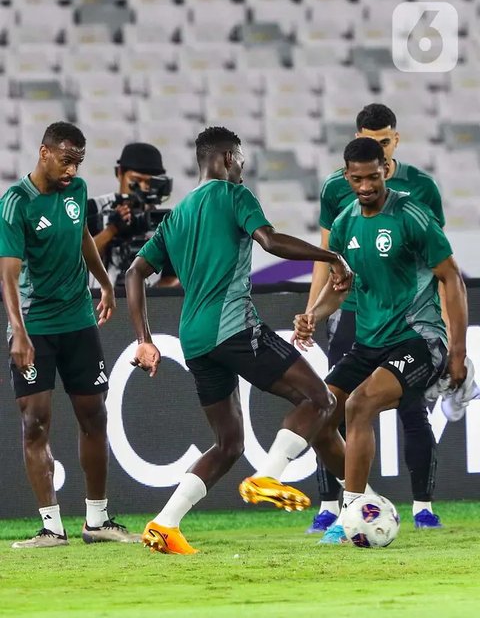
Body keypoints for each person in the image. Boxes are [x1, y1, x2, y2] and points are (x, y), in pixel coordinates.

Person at [125, 126, 352, 555]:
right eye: (242, 159)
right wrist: (331, 256)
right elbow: (269, 241)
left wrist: (144, 339)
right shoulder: (234, 197)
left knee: (228, 443)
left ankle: (165, 523)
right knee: (321, 400)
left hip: (194, 340)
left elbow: (134, 272)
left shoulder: (177, 215)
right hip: (232, 326)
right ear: (229, 158)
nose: (244, 167)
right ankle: (269, 474)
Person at [293, 137, 467, 542]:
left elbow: (451, 277)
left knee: (360, 403)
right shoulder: (343, 224)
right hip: (370, 342)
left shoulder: (412, 214)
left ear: (385, 171)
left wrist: (458, 352)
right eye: (358, 179)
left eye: (374, 177)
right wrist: (313, 315)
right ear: (346, 176)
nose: (367, 185)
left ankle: (350, 513)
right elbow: (340, 286)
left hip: (418, 337)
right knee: (320, 412)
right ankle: (365, 502)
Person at [0, 122, 137, 548]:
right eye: (65, 160)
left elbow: (82, 239)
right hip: (36, 325)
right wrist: (19, 332)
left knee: (94, 417)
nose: (72, 170)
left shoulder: (75, 193)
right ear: (44, 152)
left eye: (78, 162)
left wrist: (105, 281)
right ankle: (51, 527)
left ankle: (97, 520)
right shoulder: (15, 204)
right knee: (35, 423)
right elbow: (7, 273)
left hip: (78, 320)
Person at [88, 142, 179, 288]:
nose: (142, 188)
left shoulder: (164, 222)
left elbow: (171, 278)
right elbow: (74, 261)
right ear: (119, 172)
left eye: (150, 183)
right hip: (97, 300)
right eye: (135, 181)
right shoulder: (94, 208)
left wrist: (146, 298)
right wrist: (111, 230)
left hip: (145, 306)